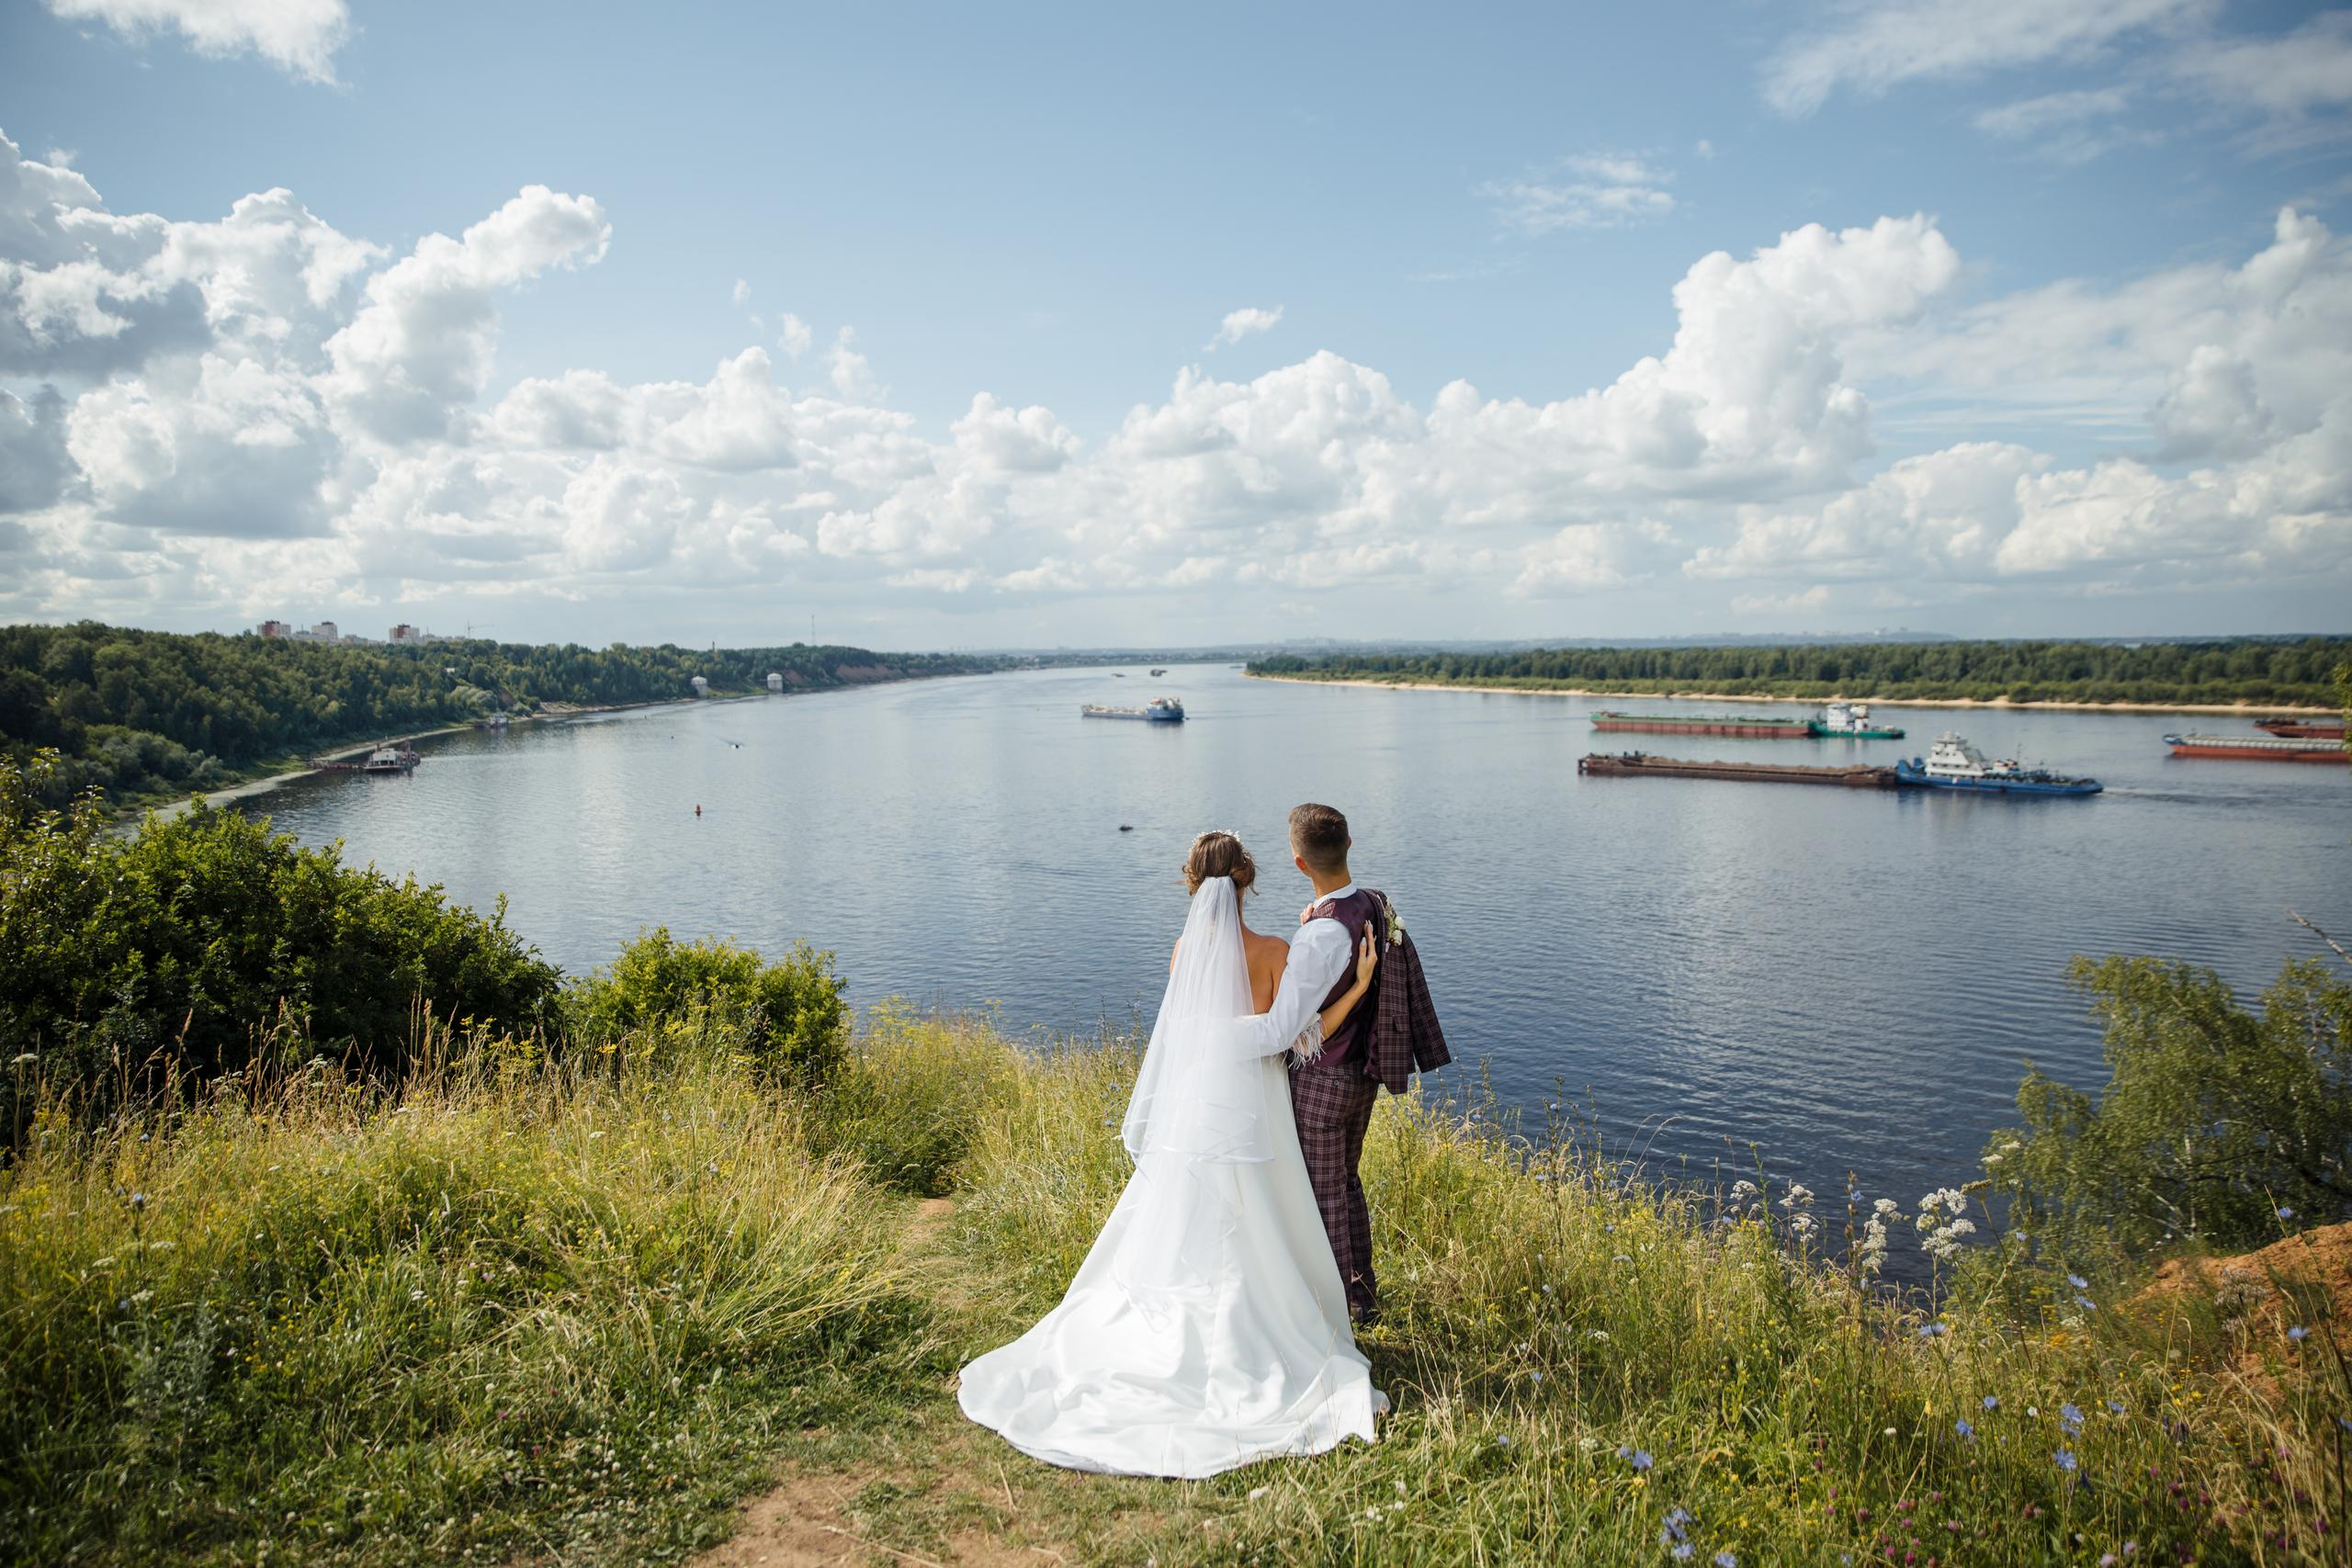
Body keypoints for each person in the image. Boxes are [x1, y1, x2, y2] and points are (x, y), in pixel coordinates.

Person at [956, 830, 1385, 1477]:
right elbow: (1285, 1036)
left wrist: (1217, 1035)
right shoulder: (1276, 951)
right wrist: (1358, 987)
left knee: (1188, 1213)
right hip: (1253, 1104)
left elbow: (1195, 1032)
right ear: (1249, 879)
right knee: (1256, 1217)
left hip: (1197, 1101)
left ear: (1193, 883)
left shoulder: (1185, 951)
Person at [1222, 803, 1451, 1325]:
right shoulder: (1373, 902)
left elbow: (1282, 1031)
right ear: (1349, 845)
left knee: (1322, 1197)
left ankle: (1337, 1312)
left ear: (1299, 864)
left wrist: (1211, 1036)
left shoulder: (1318, 936)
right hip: (1362, 1077)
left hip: (1323, 1082)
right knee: (1346, 1185)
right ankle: (1362, 1294)